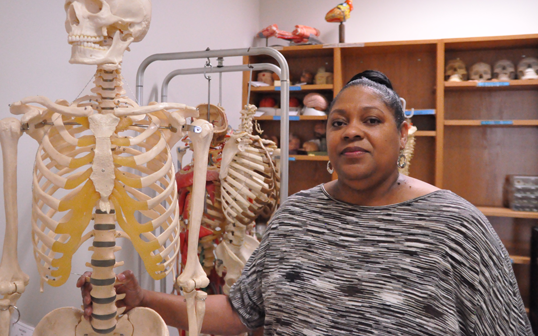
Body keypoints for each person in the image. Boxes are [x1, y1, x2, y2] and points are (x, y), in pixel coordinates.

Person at [79, 70, 533, 335]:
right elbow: (238, 311)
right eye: (338, 122)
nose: (351, 130)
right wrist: (143, 298)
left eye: (371, 120)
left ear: (402, 134)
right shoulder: (297, 214)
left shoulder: (456, 227)